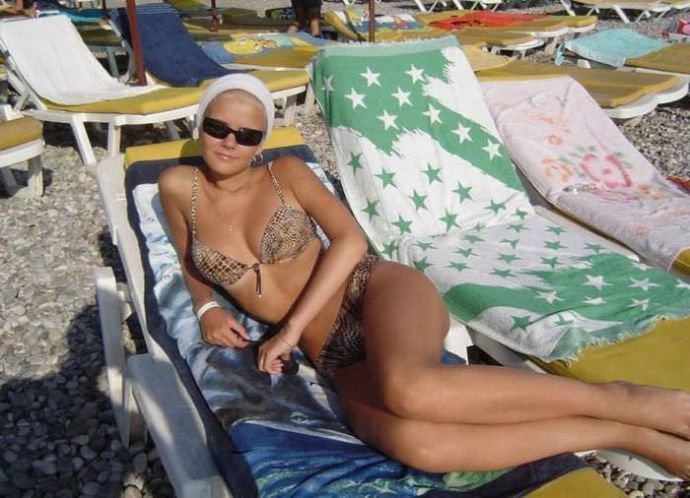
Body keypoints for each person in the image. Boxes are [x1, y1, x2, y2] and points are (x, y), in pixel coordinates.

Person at [159, 73, 690, 479]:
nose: (229, 141)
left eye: (246, 134)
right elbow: (190, 259)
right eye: (217, 127)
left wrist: (290, 330)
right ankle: (626, 434)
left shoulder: (285, 173)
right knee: (421, 446)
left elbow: (350, 241)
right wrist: (206, 307)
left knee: (412, 391)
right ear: (200, 124)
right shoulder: (178, 187)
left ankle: (626, 398)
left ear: (260, 142)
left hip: (372, 291)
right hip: (335, 355)